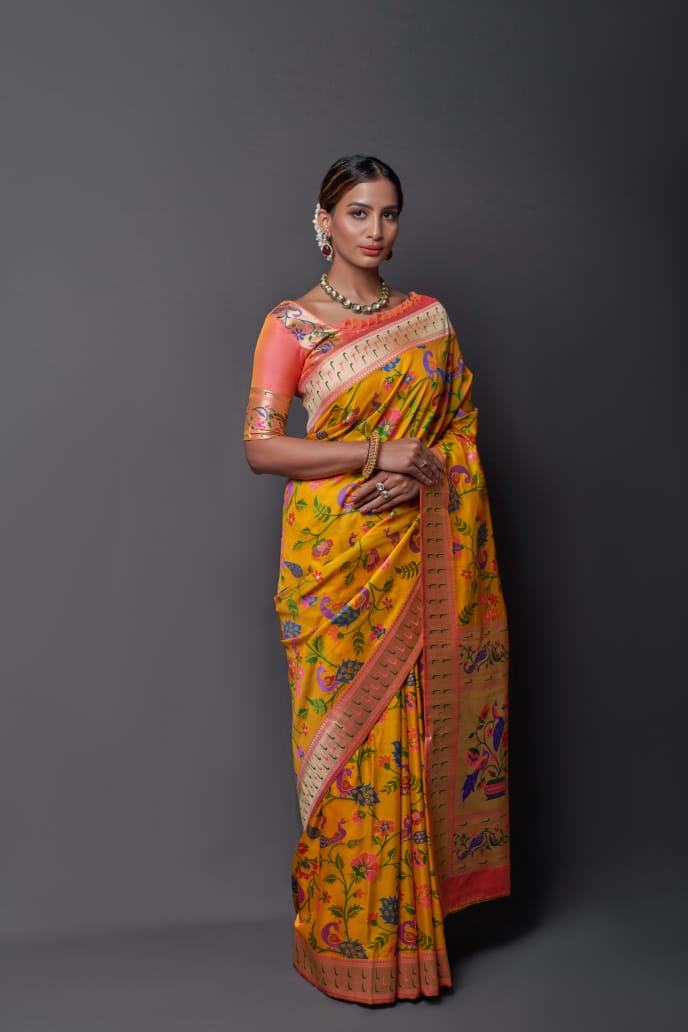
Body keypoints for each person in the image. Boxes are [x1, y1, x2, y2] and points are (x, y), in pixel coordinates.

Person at [243, 155, 509, 1005]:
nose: (375, 230)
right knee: (343, 748)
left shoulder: (429, 320)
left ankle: (409, 947)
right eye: (358, 213)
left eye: (389, 214)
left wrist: (422, 473)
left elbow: (458, 430)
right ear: (324, 220)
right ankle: (343, 942)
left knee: (414, 740)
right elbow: (261, 448)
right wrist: (376, 452)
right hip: (330, 565)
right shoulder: (291, 325)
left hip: (414, 555)